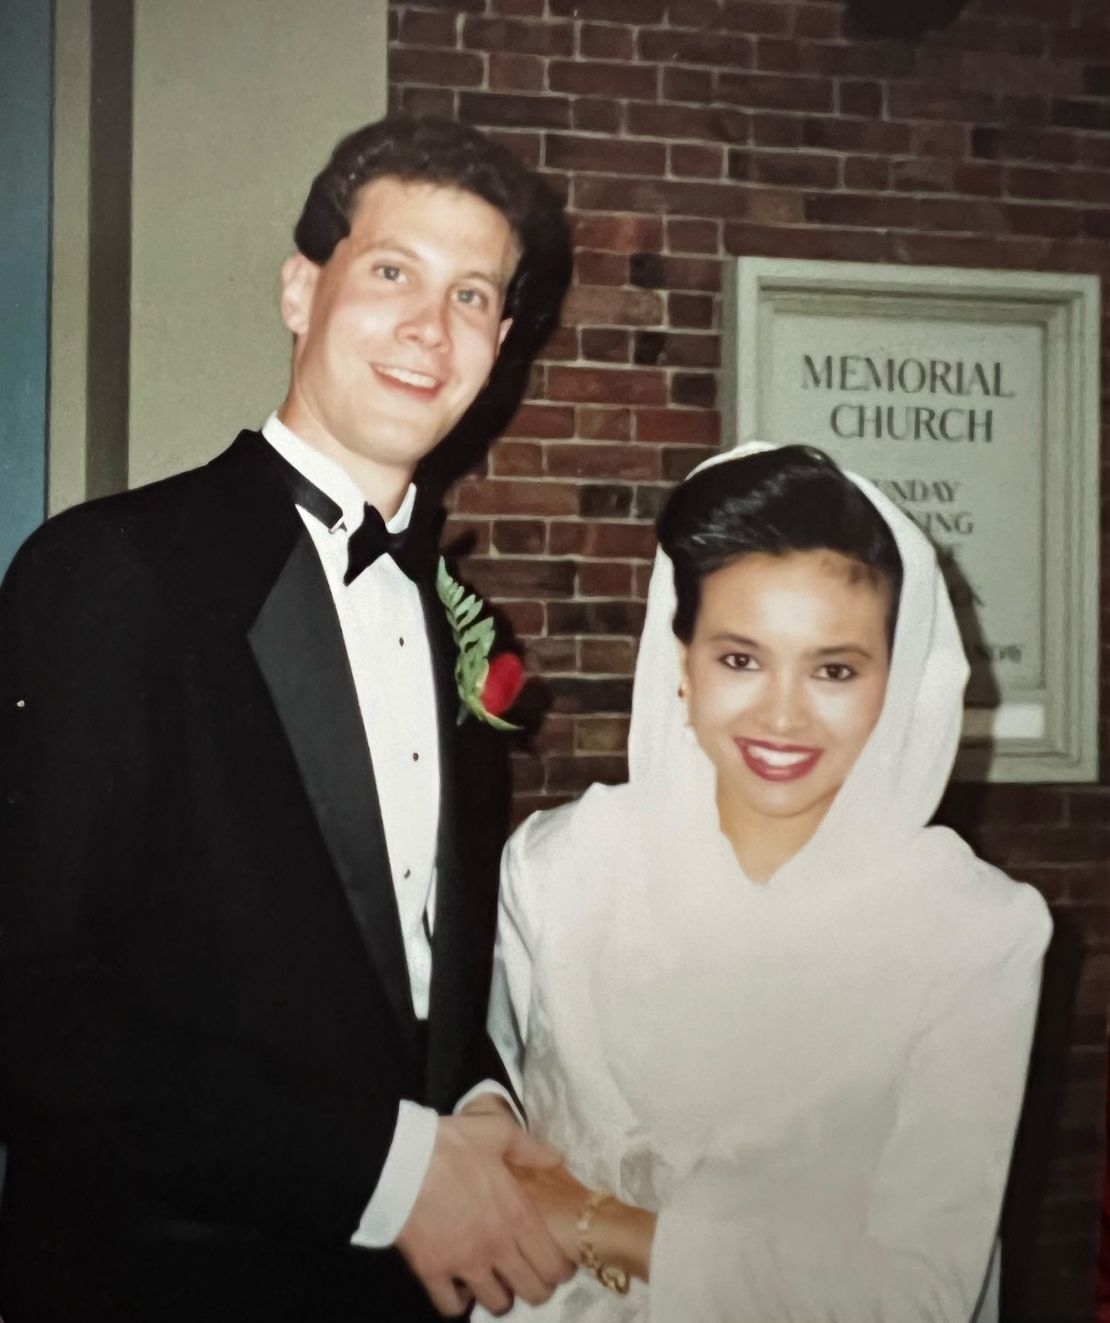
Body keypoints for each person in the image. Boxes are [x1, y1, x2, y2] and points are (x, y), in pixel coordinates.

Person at [0, 116, 575, 1323]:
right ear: (300, 291)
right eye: (392, 272)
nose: (431, 326)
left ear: (502, 344)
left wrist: (473, 1105)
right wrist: (393, 1171)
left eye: (472, 294)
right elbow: (37, 1011)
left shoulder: (451, 619)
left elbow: (392, 971)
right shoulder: (110, 570)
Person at [482, 442, 1052, 1322]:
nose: (783, 714)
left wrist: (602, 1224)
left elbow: (918, 1293)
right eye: (741, 659)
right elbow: (494, 1147)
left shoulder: (975, 933)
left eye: (833, 669)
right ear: (681, 661)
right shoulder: (561, 869)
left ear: (893, 685)